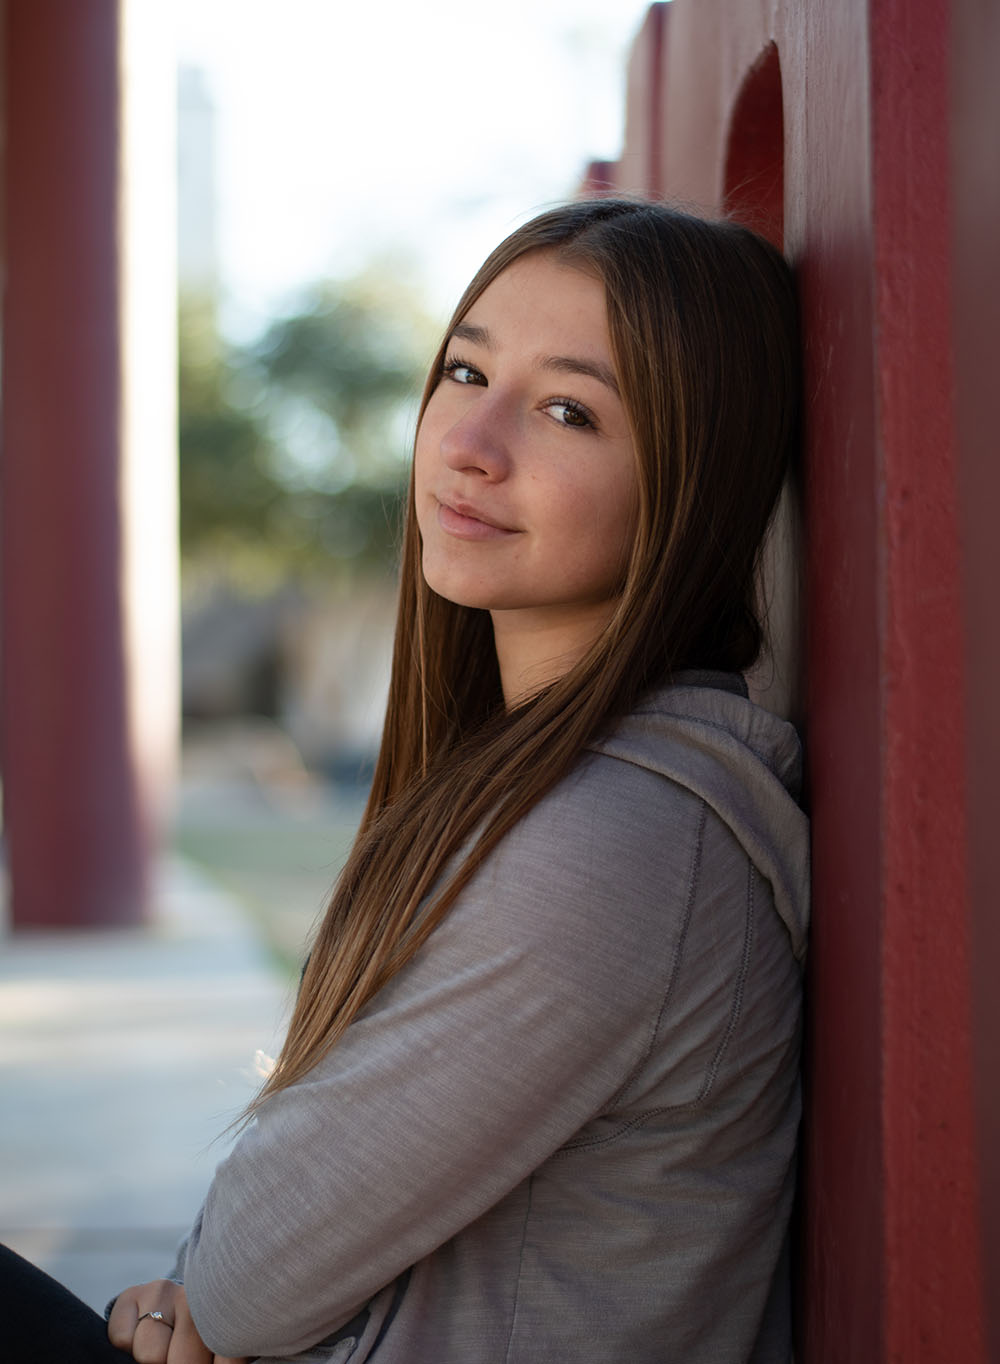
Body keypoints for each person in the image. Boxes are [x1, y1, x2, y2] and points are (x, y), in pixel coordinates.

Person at [3, 197, 809, 1363]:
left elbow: (249, 1277)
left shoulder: (616, 848)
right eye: (466, 372)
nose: (471, 446)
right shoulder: (540, 785)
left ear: (691, 483)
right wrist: (195, 1295)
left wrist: (199, 1298)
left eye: (569, 411)